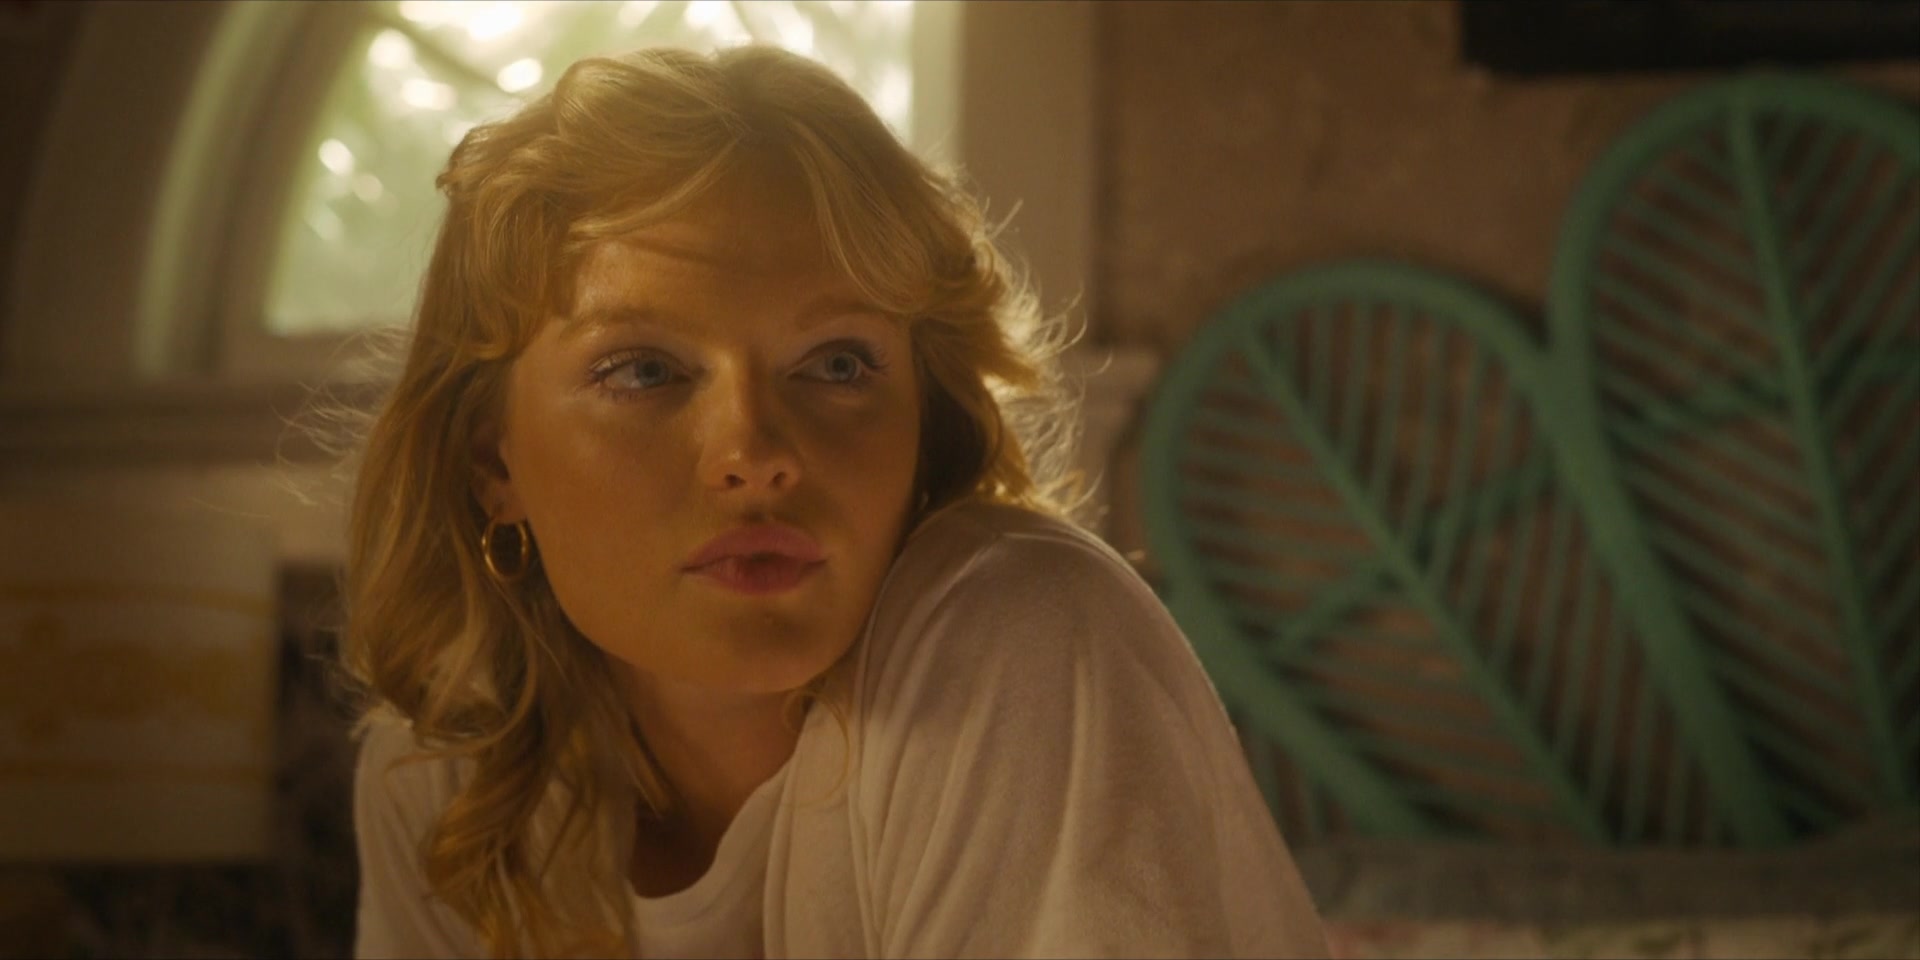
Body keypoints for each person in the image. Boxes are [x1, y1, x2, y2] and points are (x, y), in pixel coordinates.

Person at [342, 43, 1328, 959]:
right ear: (492, 460)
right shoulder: (445, 778)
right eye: (643, 370)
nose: (756, 455)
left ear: (921, 417)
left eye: (837, 363)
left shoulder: (1017, 637)